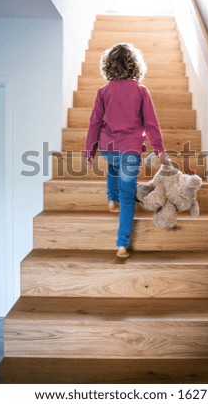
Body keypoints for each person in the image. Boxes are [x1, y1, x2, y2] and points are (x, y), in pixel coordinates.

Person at [85, 42, 170, 258]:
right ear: (135, 66)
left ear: (109, 65)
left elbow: (94, 123)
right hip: (130, 150)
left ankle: (110, 199)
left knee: (113, 166)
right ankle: (122, 244)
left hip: (108, 147)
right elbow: (151, 123)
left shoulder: (103, 91)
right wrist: (160, 149)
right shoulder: (141, 90)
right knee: (128, 195)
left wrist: (89, 153)